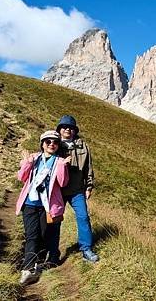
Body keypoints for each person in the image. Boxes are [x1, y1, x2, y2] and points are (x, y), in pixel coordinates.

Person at [16, 130, 70, 285]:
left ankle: (40, 261)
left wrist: (62, 166)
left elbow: (63, 182)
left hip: (48, 207)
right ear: (42, 144)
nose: (51, 144)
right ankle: (28, 269)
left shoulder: (60, 161)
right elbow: (21, 177)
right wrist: (26, 163)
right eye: (48, 142)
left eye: (55, 142)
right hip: (30, 204)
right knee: (32, 236)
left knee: (44, 236)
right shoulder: (34, 158)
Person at [56, 115, 99, 263]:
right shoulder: (53, 144)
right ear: (60, 130)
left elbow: (88, 168)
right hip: (58, 191)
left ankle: (86, 249)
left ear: (74, 131)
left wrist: (89, 186)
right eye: (64, 127)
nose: (67, 129)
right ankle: (51, 253)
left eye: (71, 127)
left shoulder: (83, 146)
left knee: (83, 217)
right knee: (54, 220)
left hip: (77, 190)